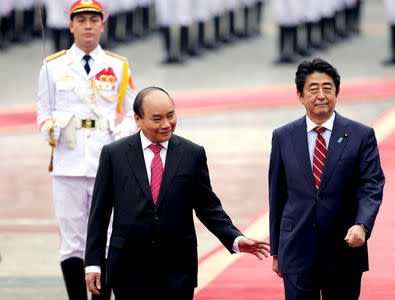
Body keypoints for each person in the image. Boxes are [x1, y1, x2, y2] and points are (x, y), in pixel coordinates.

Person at [85, 87, 270, 299]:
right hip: (129, 267)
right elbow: (99, 214)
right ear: (138, 119)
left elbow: (208, 207)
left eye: (171, 115)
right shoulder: (114, 155)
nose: (166, 124)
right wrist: (93, 263)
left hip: (177, 269)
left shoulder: (192, 154)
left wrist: (235, 238)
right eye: (157, 119)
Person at [36, 0, 137, 299]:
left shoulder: (119, 66)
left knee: (106, 237)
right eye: (81, 20)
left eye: (94, 20)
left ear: (103, 25)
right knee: (72, 240)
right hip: (67, 161)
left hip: (106, 160)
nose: (88, 25)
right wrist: (51, 129)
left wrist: (123, 131)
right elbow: (42, 112)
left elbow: (134, 110)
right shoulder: (52, 66)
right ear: (71, 25)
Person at [268, 58, 385, 300]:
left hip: (344, 248)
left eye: (327, 88)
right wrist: (277, 250)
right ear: (300, 96)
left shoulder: (361, 135)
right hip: (297, 249)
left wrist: (362, 224)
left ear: (337, 93)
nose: (321, 95)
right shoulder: (283, 136)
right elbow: (277, 195)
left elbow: (371, 185)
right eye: (313, 89)